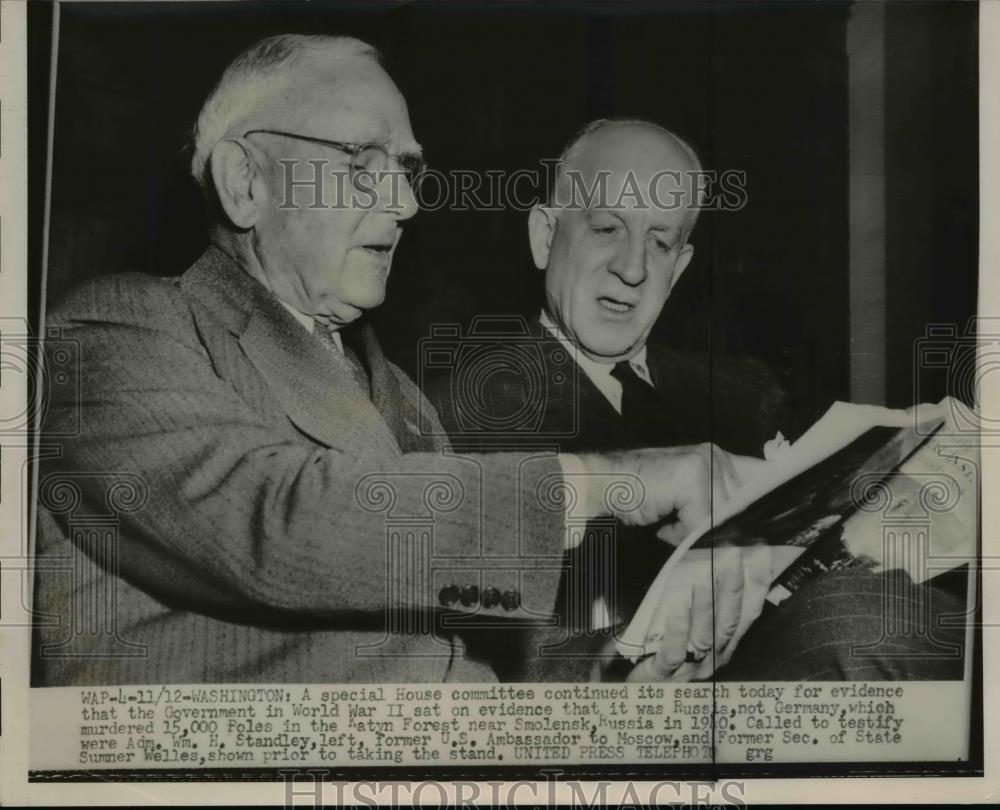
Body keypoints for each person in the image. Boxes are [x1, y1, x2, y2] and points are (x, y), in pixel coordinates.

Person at [32, 35, 761, 686]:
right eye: (361, 163)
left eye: (409, 169)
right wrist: (617, 481)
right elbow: (277, 523)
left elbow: (471, 652)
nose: (407, 202)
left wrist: (622, 670)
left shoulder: (400, 398)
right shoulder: (117, 328)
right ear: (245, 183)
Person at [427, 118, 967, 682]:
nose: (633, 268)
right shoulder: (457, 415)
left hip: (797, 665)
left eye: (659, 242)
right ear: (545, 236)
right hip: (634, 704)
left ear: (679, 266)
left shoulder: (748, 391)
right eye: (608, 228)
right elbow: (480, 645)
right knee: (870, 626)